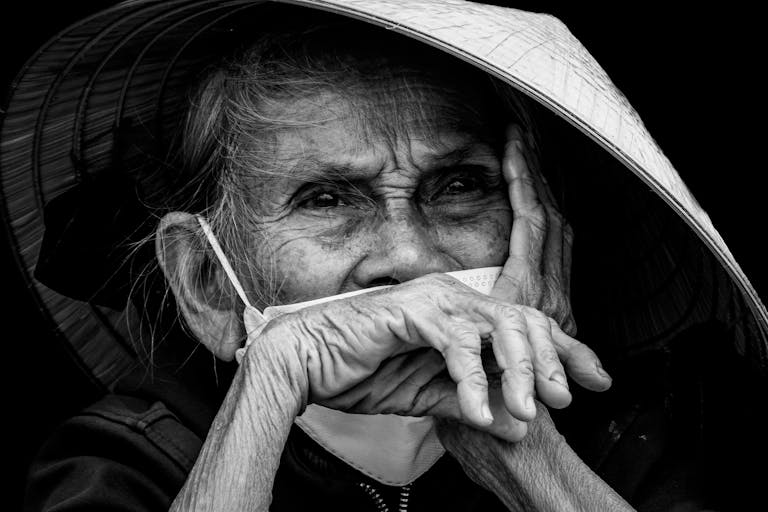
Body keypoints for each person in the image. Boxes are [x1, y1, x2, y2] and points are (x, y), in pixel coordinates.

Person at [4, 1, 766, 511]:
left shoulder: (627, 431)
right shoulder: (135, 459)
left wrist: (518, 445)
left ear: (540, 230)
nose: (410, 259)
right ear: (207, 281)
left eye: (460, 186)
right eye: (327, 199)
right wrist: (271, 382)